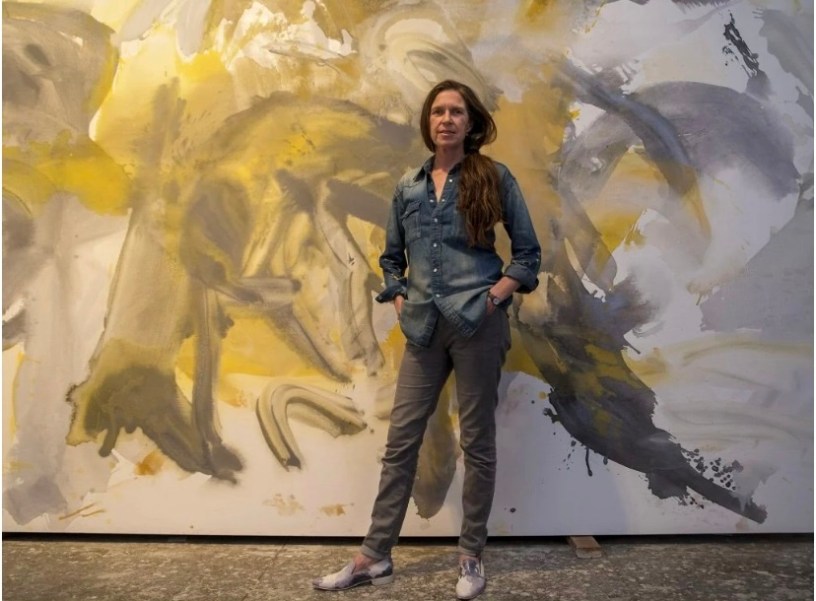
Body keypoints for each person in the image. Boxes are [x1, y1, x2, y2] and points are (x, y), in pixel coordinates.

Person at [313, 79, 541, 600]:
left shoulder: (494, 177)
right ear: (428, 121)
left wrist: (493, 298)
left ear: (470, 122)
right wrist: (399, 298)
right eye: (438, 111)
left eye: (456, 111)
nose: (447, 119)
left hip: (478, 325)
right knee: (401, 442)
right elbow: (391, 260)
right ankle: (374, 555)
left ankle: (471, 554)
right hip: (423, 329)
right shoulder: (408, 187)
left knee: (476, 442)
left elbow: (528, 254)